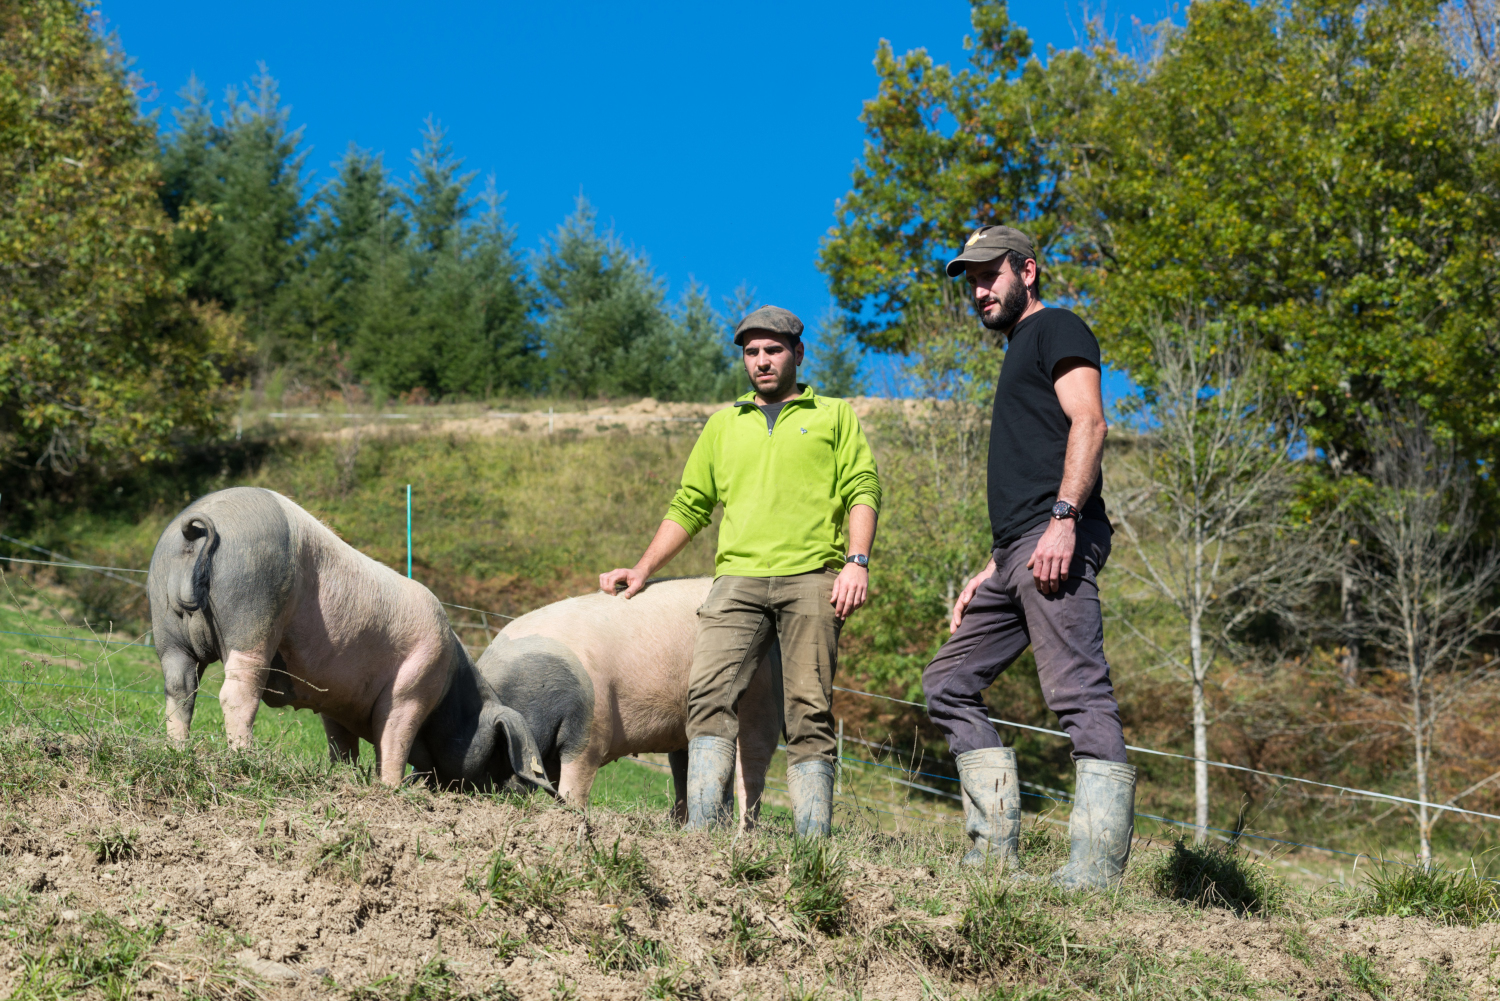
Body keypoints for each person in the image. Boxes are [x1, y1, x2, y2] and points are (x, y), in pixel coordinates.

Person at [600, 305, 881, 837]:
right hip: (736, 582)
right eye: (752, 352)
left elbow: (862, 488)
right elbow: (690, 505)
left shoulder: (834, 415)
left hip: (813, 577)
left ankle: (813, 846)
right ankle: (704, 835)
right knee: (707, 698)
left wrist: (856, 561)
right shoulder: (723, 425)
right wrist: (641, 568)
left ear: (798, 353)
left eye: (773, 350)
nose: (762, 361)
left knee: (809, 711)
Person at [922, 225, 1134, 889]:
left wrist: (1065, 520)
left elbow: (1090, 422)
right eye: (972, 281)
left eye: (991, 275)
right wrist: (993, 564)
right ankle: (992, 854)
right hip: (1018, 549)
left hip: (1057, 537)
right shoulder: (1019, 348)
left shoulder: (1057, 328)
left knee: (1077, 691)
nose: (980, 290)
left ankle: (1095, 870)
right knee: (947, 682)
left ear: (1028, 271)